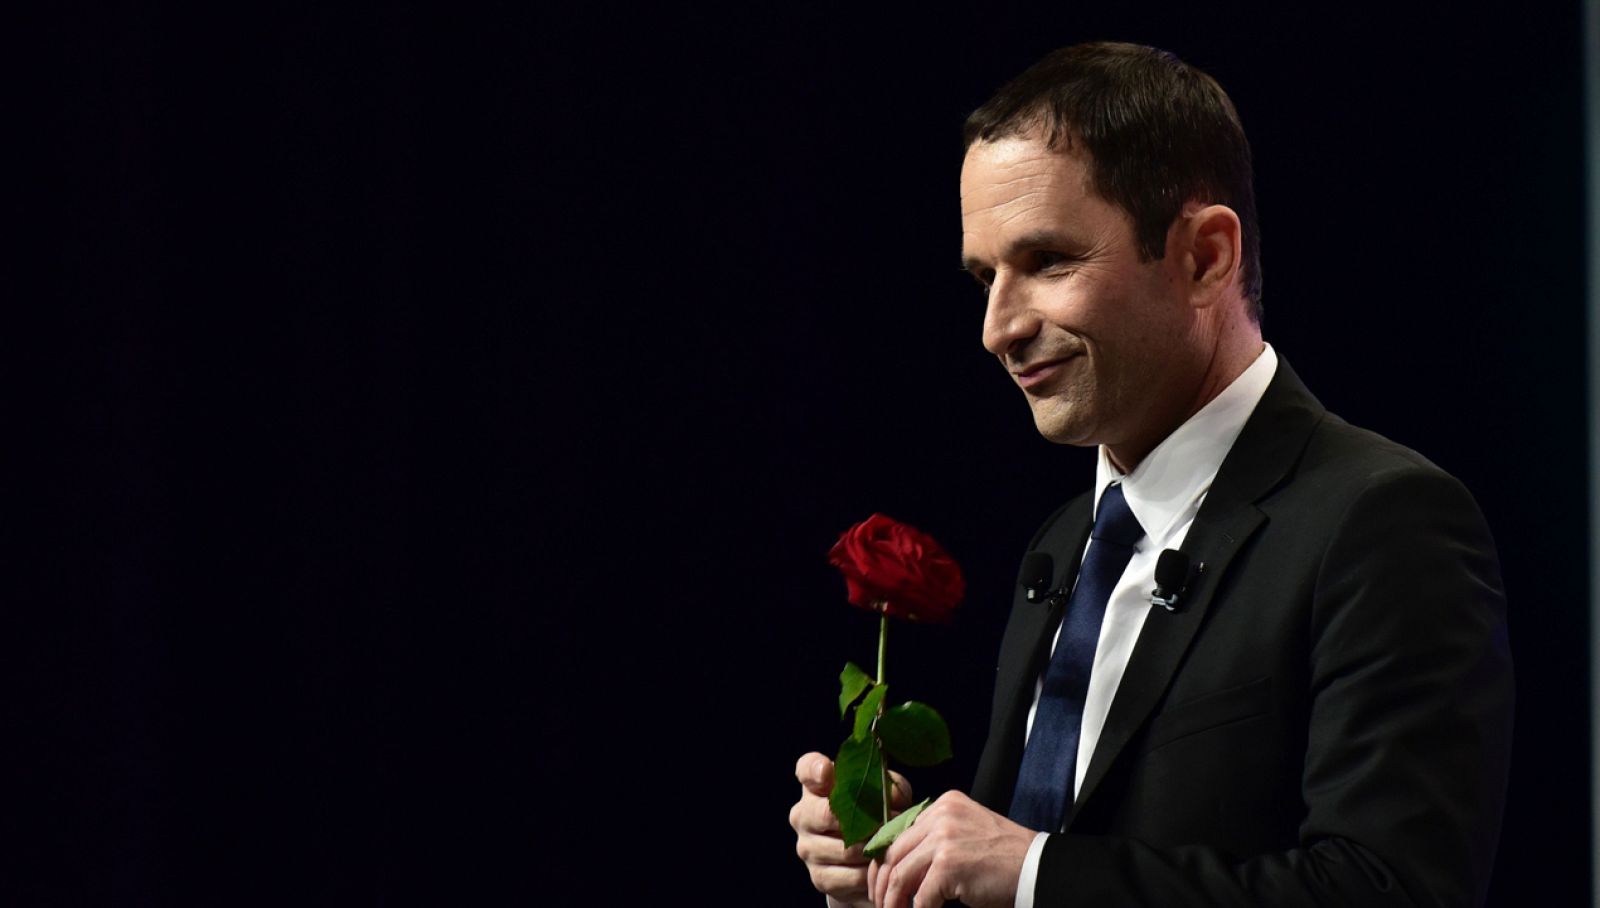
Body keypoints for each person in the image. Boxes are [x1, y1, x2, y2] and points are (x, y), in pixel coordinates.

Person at [789, 42, 1512, 908]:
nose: (997, 328)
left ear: (1205, 256)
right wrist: (905, 867)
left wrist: (1031, 870)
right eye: (985, 278)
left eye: (1048, 262)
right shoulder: (1063, 544)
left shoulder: (1382, 523)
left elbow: (1389, 890)